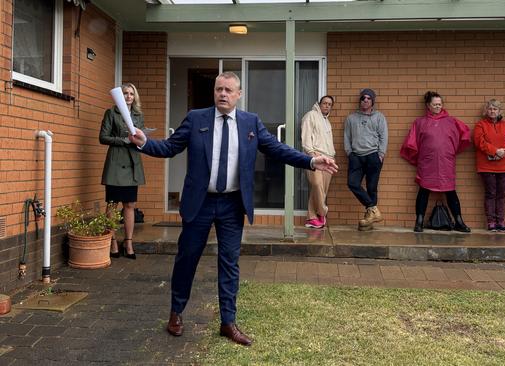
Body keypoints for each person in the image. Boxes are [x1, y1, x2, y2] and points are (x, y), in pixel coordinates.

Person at [128, 72, 338, 345]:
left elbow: (277, 149)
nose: (222, 94)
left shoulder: (250, 122)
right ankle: (176, 313)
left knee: (229, 263)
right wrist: (144, 142)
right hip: (200, 203)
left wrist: (310, 162)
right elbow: (170, 147)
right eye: (218, 89)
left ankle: (228, 322)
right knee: (186, 259)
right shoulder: (196, 118)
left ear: (238, 94)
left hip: (231, 204)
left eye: (228, 90)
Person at [400, 91, 472, 233]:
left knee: (450, 191)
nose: (438, 107)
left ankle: (459, 221)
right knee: (424, 190)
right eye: (435, 104)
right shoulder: (419, 122)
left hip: (446, 162)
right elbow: (411, 142)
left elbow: (465, 135)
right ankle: (419, 221)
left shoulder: (452, 121)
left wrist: (451, 150)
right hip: (427, 163)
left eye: (440, 104)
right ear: (428, 105)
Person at [99, 83, 145, 259]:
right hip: (116, 162)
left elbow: (140, 138)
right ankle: (112, 241)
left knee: (130, 204)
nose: (128, 96)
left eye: (131, 94)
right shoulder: (111, 113)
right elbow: (103, 137)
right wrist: (123, 140)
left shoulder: (138, 115)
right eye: (125, 93)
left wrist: (141, 139)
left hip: (132, 162)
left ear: (135, 97)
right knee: (112, 203)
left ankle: (128, 242)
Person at [344, 88, 388, 231]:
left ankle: (368, 221)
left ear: (372, 101)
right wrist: (349, 153)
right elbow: (347, 137)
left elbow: (384, 136)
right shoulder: (351, 118)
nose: (365, 100)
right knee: (352, 183)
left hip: (373, 156)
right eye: (363, 98)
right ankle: (373, 209)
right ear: (360, 100)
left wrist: (380, 154)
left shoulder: (379, 117)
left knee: (371, 188)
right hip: (356, 156)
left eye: (369, 98)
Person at [473, 99, 505, 232]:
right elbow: (479, 141)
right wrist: (495, 151)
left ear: (500, 111)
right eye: (490, 109)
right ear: (486, 111)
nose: (492, 111)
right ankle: (491, 222)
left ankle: (501, 221)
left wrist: (502, 150)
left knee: (501, 194)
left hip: (504, 165)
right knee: (491, 194)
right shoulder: (480, 125)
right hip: (486, 166)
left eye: (495, 109)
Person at [301, 96, 336, 229]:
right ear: (319, 104)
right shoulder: (311, 116)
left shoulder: (327, 122)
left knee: (321, 190)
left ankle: (312, 218)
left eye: (329, 104)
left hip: (328, 158)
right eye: (325, 103)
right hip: (315, 157)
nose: (327, 106)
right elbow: (306, 136)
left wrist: (332, 157)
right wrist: (311, 153)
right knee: (317, 185)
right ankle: (322, 211)